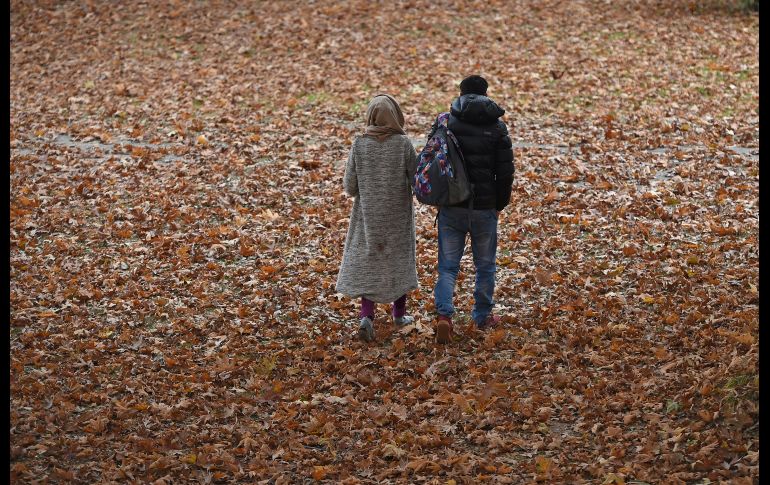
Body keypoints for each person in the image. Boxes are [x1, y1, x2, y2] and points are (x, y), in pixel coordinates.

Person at [431, 75, 514, 344]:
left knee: (448, 267)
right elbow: (505, 172)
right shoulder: (497, 127)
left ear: (461, 94)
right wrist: (499, 203)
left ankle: (444, 316)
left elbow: (433, 161)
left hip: (452, 204)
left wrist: (439, 197)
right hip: (484, 207)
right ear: (485, 94)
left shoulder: (447, 123)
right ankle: (482, 316)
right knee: (485, 266)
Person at [336, 94, 419, 342]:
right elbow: (416, 179)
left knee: (369, 261)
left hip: (367, 215)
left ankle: (366, 316)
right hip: (398, 215)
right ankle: (399, 314)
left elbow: (350, 186)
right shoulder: (403, 144)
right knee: (398, 259)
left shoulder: (360, 145)